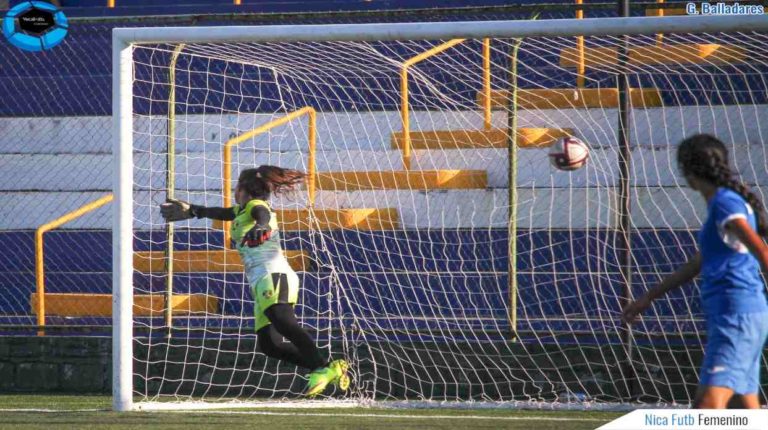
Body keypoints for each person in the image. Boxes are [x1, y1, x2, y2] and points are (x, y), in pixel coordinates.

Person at [160, 165, 349, 397]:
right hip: (261, 280)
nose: (233, 192)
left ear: (242, 189)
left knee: (283, 321)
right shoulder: (240, 211)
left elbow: (263, 215)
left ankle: (321, 367)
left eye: (235, 187)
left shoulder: (255, 206)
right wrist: (193, 211)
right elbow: (221, 212)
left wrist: (261, 227)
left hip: (274, 274)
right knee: (271, 345)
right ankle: (330, 367)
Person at [623, 134, 768, 409]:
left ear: (687, 169)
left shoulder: (726, 203)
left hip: (736, 314)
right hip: (739, 314)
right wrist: (648, 297)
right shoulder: (724, 203)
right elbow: (697, 264)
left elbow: (762, 251)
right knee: (744, 407)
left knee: (705, 408)